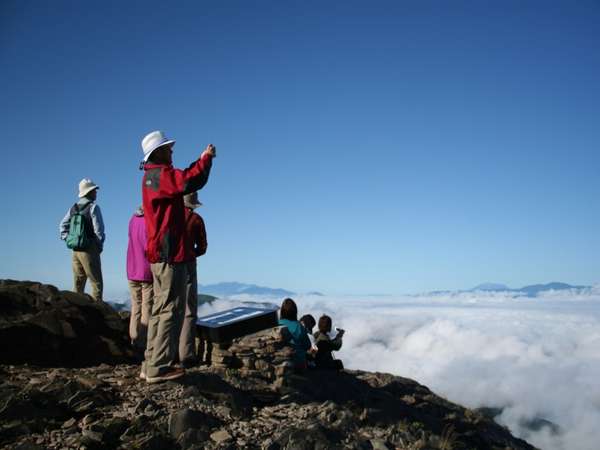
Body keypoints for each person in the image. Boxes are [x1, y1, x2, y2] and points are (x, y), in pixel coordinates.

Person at [140, 130, 215, 383]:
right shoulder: (159, 176)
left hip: (161, 253)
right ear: (157, 152)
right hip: (170, 254)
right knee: (171, 308)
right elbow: (189, 181)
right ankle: (158, 367)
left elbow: (183, 178)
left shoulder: (152, 178)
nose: (171, 150)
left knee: (161, 308)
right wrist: (205, 159)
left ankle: (151, 360)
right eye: (168, 147)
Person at [59, 178, 105, 301]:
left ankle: (78, 312)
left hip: (75, 249)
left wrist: (68, 239)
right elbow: (98, 231)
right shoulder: (93, 207)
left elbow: (62, 225)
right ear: (89, 192)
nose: (96, 192)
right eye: (94, 190)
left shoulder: (73, 208)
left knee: (78, 283)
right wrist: (98, 247)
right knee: (96, 283)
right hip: (89, 248)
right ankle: (98, 312)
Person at [179, 192, 207, 367]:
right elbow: (203, 247)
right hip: (187, 264)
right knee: (189, 310)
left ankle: (167, 352)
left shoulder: (169, 215)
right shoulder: (196, 219)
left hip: (167, 265)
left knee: (170, 309)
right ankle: (186, 355)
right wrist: (191, 253)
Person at [126, 205, 153, 352]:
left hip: (131, 268)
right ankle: (142, 342)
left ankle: (133, 338)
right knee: (146, 307)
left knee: (135, 305)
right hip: (145, 269)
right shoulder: (149, 222)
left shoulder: (132, 220)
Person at [278, 298, 311, 370]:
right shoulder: (299, 327)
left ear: (282, 311)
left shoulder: (276, 324)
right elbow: (307, 346)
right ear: (295, 312)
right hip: (298, 363)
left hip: (279, 362)